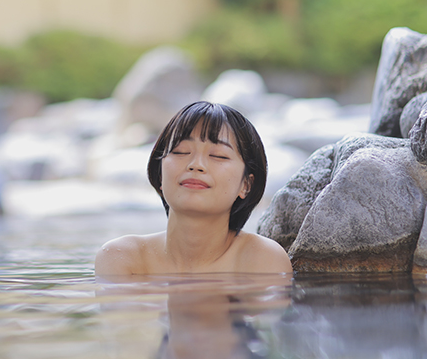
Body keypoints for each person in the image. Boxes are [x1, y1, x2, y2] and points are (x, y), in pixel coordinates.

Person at [95, 101, 292, 276]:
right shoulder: (122, 259)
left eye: (218, 156)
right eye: (181, 151)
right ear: (160, 174)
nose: (196, 165)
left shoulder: (263, 262)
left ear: (246, 185)